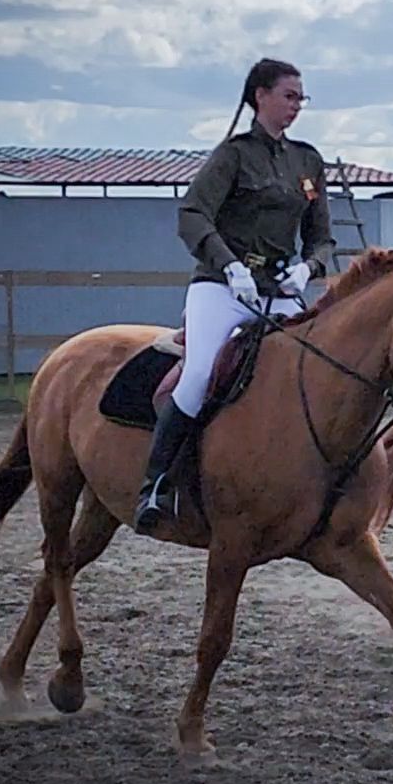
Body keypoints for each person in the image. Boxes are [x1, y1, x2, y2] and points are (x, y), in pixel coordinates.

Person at [134, 57, 335, 534]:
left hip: (280, 289)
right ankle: (157, 483)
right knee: (201, 373)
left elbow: (322, 235)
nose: (296, 106)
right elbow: (192, 216)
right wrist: (227, 263)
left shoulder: (307, 160)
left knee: (317, 370)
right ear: (260, 96)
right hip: (222, 288)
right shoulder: (232, 155)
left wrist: (309, 266)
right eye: (289, 96)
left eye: (301, 98)